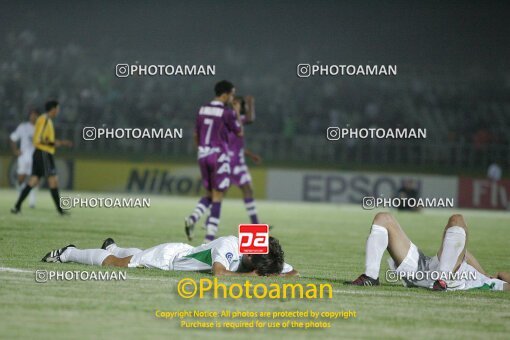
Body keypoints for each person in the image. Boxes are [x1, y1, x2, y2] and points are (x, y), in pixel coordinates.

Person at [346, 212, 509, 291]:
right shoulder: (488, 278)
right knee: (383, 218)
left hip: (453, 279)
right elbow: (465, 254)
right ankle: (370, 277)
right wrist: (486, 272)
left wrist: (489, 275)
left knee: (457, 220)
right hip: (426, 271)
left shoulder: (497, 285)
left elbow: (502, 276)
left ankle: (442, 280)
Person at [41, 235, 298, 277]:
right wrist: (253, 278)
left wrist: (278, 275)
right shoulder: (229, 245)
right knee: (119, 266)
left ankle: (111, 246)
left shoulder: (261, 254)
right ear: (251, 258)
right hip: (170, 258)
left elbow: (292, 271)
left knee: (136, 256)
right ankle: (68, 253)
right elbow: (219, 274)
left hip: (179, 254)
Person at [184, 81, 243, 243]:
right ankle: (208, 240)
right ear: (225, 94)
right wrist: (237, 112)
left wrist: (202, 149)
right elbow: (239, 132)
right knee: (218, 196)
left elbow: (196, 133)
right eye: (232, 94)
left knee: (210, 193)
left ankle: (194, 218)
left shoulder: (202, 108)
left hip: (203, 154)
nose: (233, 97)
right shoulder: (226, 112)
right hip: (218, 155)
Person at [11, 100, 73, 215]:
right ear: (53, 109)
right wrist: (54, 143)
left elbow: (44, 139)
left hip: (41, 153)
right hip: (43, 153)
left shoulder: (47, 120)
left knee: (34, 180)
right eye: (58, 108)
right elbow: (38, 139)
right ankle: (60, 210)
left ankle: (17, 206)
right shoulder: (44, 120)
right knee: (53, 180)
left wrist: (59, 143)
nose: (58, 111)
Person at [9, 109, 39, 208]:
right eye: (32, 115)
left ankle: (32, 201)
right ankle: (20, 198)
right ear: (29, 116)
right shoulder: (23, 127)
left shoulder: (40, 128)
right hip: (23, 157)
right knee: (21, 179)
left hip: (35, 157)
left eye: (35, 115)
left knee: (34, 179)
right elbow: (13, 138)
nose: (33, 117)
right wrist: (15, 151)